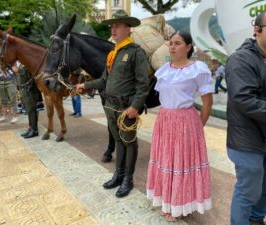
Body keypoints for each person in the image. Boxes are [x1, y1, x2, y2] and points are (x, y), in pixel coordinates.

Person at [77, 9, 149, 198]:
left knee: (129, 141)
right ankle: (118, 174)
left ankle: (128, 180)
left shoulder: (136, 53)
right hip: (110, 106)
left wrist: (135, 106)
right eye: (112, 26)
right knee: (118, 141)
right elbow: (104, 81)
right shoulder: (113, 53)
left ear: (128, 29)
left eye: (117, 26)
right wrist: (85, 85)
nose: (113, 29)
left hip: (127, 108)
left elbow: (143, 84)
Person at [146, 31, 213, 222]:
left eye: (177, 43)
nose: (172, 47)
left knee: (183, 164)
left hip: (186, 122)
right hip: (165, 120)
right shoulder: (164, 70)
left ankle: (181, 206)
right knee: (167, 161)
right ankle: (170, 202)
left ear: (188, 47)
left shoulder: (198, 69)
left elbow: (207, 103)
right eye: (170, 43)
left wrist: (198, 128)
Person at [225, 11, 266, 225]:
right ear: (257, 30)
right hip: (246, 140)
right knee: (248, 191)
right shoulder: (240, 59)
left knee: (264, 186)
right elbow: (244, 99)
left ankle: (256, 220)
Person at [18, 64, 40, 138]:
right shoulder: (22, 64)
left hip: (30, 90)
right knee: (28, 110)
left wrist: (18, 71)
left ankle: (34, 130)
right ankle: (31, 128)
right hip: (23, 89)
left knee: (32, 110)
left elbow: (31, 78)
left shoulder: (29, 63)